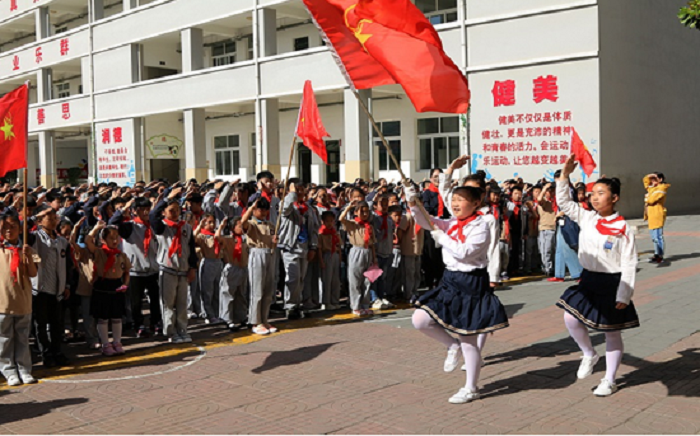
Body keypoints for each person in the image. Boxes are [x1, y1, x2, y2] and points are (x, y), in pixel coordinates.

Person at [406, 184, 509, 404]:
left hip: (471, 282)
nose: (455, 203)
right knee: (420, 319)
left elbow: (464, 252)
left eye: (461, 200)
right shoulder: (452, 222)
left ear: (475, 204)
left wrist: (440, 236)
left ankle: (471, 387)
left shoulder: (481, 226)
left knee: (468, 338)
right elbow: (427, 221)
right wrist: (413, 203)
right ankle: (452, 346)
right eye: (454, 199)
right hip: (450, 280)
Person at [556, 155, 639, 397]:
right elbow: (564, 202)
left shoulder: (623, 228)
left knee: (611, 331)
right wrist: (565, 175)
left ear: (614, 198)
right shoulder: (587, 217)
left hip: (612, 283)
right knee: (570, 318)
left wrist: (625, 292)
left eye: (600, 193)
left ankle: (609, 379)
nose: (594, 196)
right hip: (588, 279)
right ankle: (589, 354)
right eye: (593, 192)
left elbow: (629, 261)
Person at [150, 187, 198, 344]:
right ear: (164, 212)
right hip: (168, 270)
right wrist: (166, 198)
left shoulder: (186, 227)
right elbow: (152, 215)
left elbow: (191, 250)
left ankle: (182, 329)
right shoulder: (162, 227)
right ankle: (170, 331)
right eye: (171, 210)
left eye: (177, 210)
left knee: (182, 303)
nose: (175, 213)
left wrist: (192, 268)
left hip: (183, 270)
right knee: (168, 303)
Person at [110, 197, 162, 338]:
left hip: (153, 269)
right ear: (134, 211)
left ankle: (156, 322)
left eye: (147, 209)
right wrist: (122, 210)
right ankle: (138, 325)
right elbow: (112, 223)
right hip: (135, 270)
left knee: (156, 299)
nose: (145, 212)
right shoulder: (129, 226)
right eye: (141, 209)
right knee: (136, 302)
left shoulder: (153, 225)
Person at [30, 204, 72, 368]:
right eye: (49, 218)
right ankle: (45, 353)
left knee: (56, 323)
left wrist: (67, 284)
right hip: (40, 289)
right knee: (40, 324)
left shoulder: (62, 241)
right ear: (40, 221)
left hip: (57, 288)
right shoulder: (34, 238)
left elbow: (67, 265)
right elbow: (23, 229)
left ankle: (57, 351)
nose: (54, 221)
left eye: (55, 218)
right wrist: (36, 216)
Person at [0, 210, 39, 386]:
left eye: (13, 227)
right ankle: (8, 370)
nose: (9, 230)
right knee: (4, 338)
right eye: (5, 227)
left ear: (20, 229)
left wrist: (27, 256)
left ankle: (24, 369)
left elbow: (33, 272)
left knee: (22, 337)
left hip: (23, 301)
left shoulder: (27, 249)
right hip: (3, 301)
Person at [85, 221, 132, 356]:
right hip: (102, 285)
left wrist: (125, 284)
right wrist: (96, 228)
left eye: (116, 237)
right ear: (103, 240)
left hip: (117, 285)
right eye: (111, 238)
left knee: (117, 316)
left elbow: (127, 271)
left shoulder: (121, 255)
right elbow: (88, 240)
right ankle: (105, 344)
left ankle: (117, 342)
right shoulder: (99, 252)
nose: (115, 240)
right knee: (103, 317)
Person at [278, 179, 318, 320]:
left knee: (301, 278)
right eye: (297, 189)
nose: (300, 192)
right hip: (290, 246)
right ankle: (290, 305)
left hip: (304, 245)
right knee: (292, 278)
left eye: (302, 189)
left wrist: (313, 246)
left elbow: (313, 229)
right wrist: (292, 194)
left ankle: (298, 303)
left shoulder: (309, 209)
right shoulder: (287, 204)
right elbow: (284, 211)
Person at [240, 198, 278, 335]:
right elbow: (242, 223)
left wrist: (275, 242)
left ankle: (265, 318)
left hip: (269, 254)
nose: (262, 212)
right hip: (257, 253)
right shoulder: (252, 224)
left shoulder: (271, 225)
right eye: (259, 209)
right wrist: (250, 208)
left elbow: (273, 241)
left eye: (265, 209)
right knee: (257, 288)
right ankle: (255, 321)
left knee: (268, 289)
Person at [340, 200, 376, 316]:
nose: (365, 214)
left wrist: (374, 258)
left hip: (367, 252)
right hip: (357, 251)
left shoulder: (369, 226)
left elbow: (372, 243)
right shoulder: (352, 224)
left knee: (366, 281)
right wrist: (349, 207)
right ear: (356, 212)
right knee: (355, 280)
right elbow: (341, 219)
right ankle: (355, 306)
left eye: (367, 212)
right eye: (362, 212)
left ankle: (365, 305)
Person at [194, 213, 225, 325]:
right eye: (209, 222)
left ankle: (216, 313)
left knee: (218, 289)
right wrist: (199, 226)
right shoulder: (202, 235)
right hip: (208, 261)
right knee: (207, 290)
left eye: (213, 222)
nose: (212, 225)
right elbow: (192, 238)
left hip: (218, 262)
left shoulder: (215, 234)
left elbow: (220, 241)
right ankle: (208, 314)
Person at [371, 194, 395, 310]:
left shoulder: (389, 218)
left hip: (387, 250)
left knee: (383, 276)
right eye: (382, 204)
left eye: (386, 204)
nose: (385, 206)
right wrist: (373, 200)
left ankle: (381, 295)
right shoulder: (374, 218)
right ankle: (374, 298)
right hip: (377, 251)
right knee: (374, 276)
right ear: (375, 206)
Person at [643, 173, 670, 264]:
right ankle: (656, 254)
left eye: (655, 179)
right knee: (654, 237)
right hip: (651, 215)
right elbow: (645, 181)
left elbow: (651, 200)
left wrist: (646, 198)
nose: (652, 181)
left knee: (658, 237)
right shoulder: (652, 188)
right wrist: (650, 175)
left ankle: (660, 255)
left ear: (660, 180)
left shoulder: (662, 188)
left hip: (657, 214)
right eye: (652, 179)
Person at [318, 210, 342, 311]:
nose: (330, 223)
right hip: (326, 255)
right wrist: (321, 261)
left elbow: (339, 245)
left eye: (332, 221)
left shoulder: (335, 232)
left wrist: (340, 257)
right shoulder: (321, 233)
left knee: (335, 279)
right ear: (322, 221)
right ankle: (325, 302)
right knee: (326, 280)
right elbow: (319, 248)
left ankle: (334, 300)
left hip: (335, 255)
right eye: (327, 221)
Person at [536, 182, 557, 277]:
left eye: (553, 190)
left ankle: (553, 268)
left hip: (556, 228)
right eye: (550, 191)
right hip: (546, 229)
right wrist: (544, 188)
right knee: (546, 250)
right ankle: (547, 268)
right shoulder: (544, 201)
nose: (551, 193)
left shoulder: (556, 201)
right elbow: (539, 199)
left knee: (554, 251)